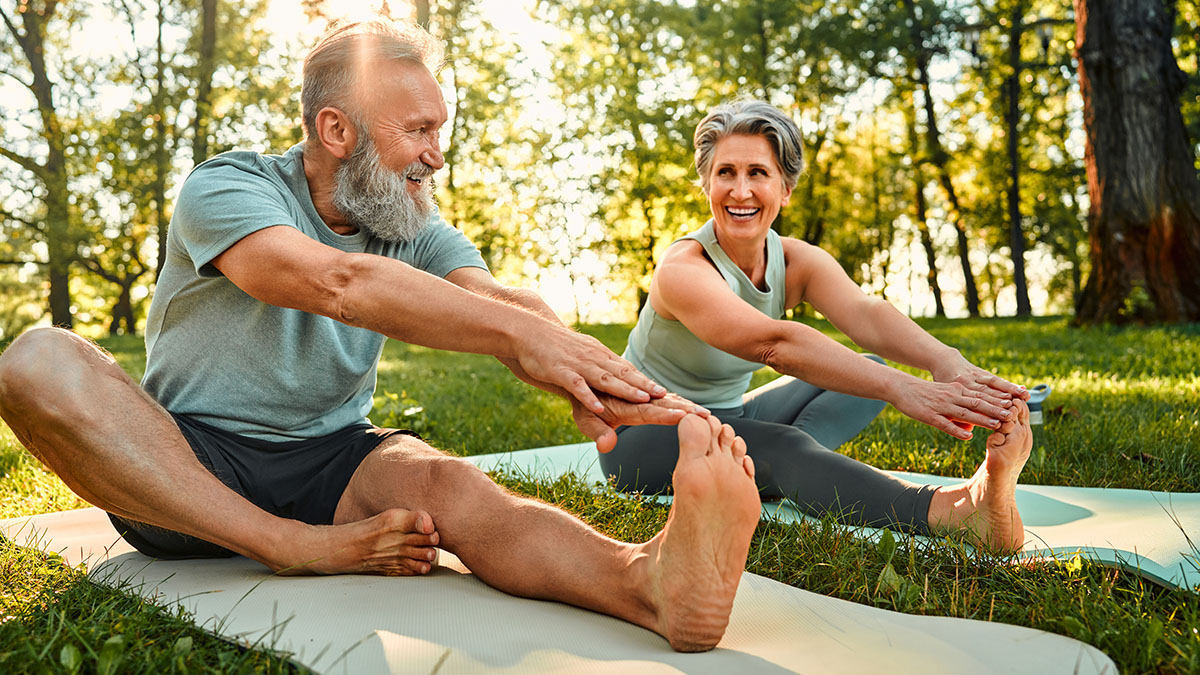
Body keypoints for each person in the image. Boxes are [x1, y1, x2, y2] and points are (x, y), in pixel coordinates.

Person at [0, 21, 764, 653]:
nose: (437, 152)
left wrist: (588, 370)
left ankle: (649, 583)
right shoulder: (229, 187)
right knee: (35, 359)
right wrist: (512, 335)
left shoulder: (409, 220)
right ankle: (286, 543)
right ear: (337, 130)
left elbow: (499, 301)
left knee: (452, 485)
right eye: (420, 130)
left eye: (441, 129)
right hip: (186, 462)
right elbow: (339, 285)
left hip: (334, 458)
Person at [600, 99, 1035, 552]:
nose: (740, 190)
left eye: (758, 173)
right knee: (786, 444)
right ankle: (958, 511)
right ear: (706, 185)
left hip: (727, 416)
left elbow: (866, 315)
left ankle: (770, 468)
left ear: (785, 189)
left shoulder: (792, 259)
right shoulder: (683, 269)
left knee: (859, 372)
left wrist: (948, 364)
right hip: (641, 437)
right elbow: (773, 344)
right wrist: (903, 388)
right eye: (725, 172)